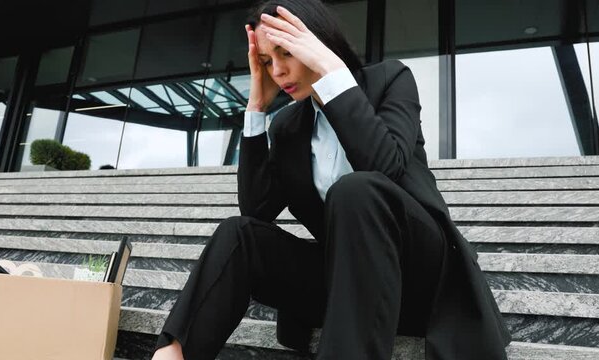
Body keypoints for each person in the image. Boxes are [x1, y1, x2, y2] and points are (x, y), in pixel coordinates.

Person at [152, 0, 511, 359]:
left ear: (315, 42)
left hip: (422, 279)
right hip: (348, 284)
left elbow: (386, 168)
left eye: (285, 52)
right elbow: (257, 208)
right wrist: (256, 110)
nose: (277, 70)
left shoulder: (390, 80)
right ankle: (173, 354)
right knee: (238, 234)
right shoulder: (288, 126)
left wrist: (331, 71)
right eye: (265, 61)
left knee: (356, 189)